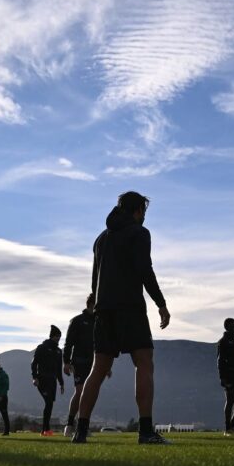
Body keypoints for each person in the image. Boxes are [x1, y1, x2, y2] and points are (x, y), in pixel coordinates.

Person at [71, 191, 171, 445]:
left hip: (103, 311)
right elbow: (144, 270)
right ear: (137, 210)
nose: (144, 217)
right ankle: (146, 431)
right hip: (130, 308)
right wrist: (161, 303)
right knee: (144, 362)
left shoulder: (100, 239)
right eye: (144, 212)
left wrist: (97, 307)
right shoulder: (139, 233)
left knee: (98, 369)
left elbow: (95, 280)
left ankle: (80, 431)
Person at [62, 293, 98, 436]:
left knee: (90, 394)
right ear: (91, 304)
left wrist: (105, 366)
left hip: (94, 363)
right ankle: (70, 425)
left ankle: (83, 425)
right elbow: (68, 343)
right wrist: (66, 362)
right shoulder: (77, 321)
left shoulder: (99, 321)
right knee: (80, 391)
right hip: (79, 362)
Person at [32, 325, 65, 436]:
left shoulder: (59, 352)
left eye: (59, 337)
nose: (58, 339)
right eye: (56, 336)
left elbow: (59, 368)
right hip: (42, 380)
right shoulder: (42, 347)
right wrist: (35, 377)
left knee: (50, 404)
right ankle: (46, 429)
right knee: (48, 402)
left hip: (52, 382)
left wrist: (61, 383)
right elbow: (34, 363)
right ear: (51, 336)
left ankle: (45, 430)